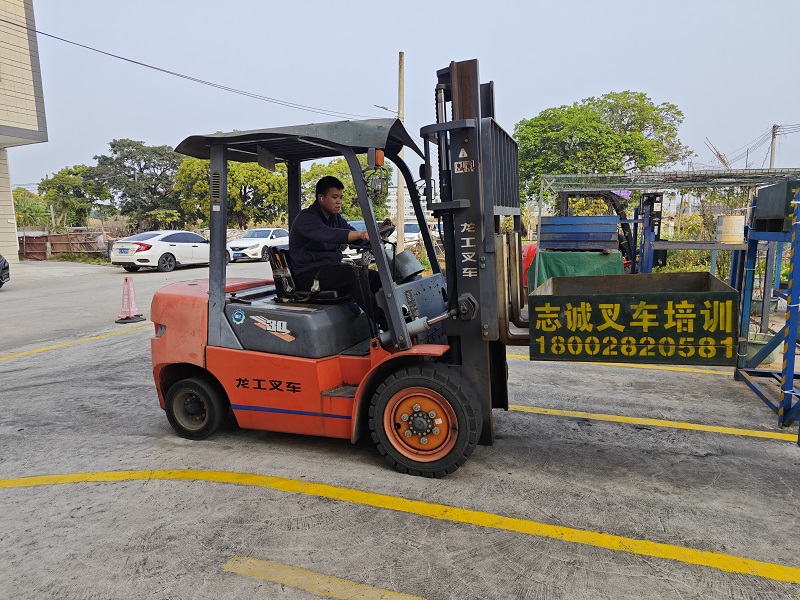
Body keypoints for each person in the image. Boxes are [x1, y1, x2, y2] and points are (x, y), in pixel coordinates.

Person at [288, 176, 388, 329]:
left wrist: (375, 235)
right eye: (334, 197)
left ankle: (396, 315)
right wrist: (360, 234)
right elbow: (328, 234)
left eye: (340, 197)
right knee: (353, 275)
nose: (339, 201)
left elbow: (352, 236)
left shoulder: (336, 218)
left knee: (376, 277)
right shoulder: (306, 218)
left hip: (329, 270)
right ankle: (385, 322)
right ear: (321, 198)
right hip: (309, 274)